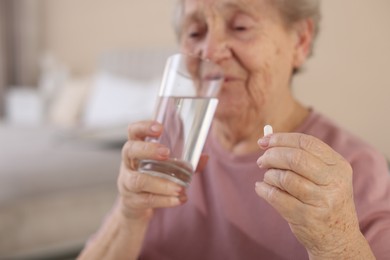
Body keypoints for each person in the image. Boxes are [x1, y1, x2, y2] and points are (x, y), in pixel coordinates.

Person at [78, 0, 390, 259]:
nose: (210, 52)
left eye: (240, 27)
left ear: (300, 41)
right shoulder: (169, 149)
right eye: (195, 32)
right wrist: (129, 214)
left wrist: (337, 241)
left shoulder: (355, 167)